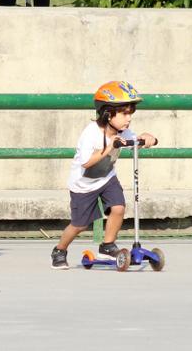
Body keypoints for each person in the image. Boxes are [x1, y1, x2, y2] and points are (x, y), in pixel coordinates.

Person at [50, 81, 158, 269]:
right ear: (108, 113)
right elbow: (86, 162)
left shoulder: (122, 131)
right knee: (80, 225)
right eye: (124, 113)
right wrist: (109, 147)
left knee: (118, 208)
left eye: (130, 113)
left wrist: (146, 137)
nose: (128, 118)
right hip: (83, 184)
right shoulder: (90, 133)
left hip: (107, 179)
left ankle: (107, 246)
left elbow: (134, 140)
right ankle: (60, 250)